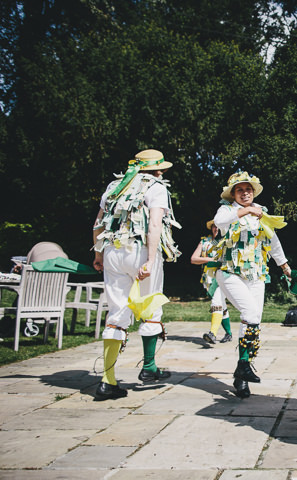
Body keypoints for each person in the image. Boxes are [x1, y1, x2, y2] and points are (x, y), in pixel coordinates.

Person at [92, 149, 181, 401]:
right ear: (156, 169)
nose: (163, 171)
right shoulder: (156, 186)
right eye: (161, 168)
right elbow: (154, 225)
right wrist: (151, 259)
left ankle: (107, 381)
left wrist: (98, 254)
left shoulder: (114, 186)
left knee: (117, 311)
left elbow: (98, 223)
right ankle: (149, 367)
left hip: (111, 251)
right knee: (150, 307)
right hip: (140, 250)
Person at [212, 171, 293, 399]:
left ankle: (241, 373)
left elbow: (273, 241)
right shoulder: (227, 210)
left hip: (257, 274)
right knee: (249, 312)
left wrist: (285, 267)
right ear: (233, 194)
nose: (245, 193)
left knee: (253, 319)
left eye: (248, 189)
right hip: (230, 273)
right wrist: (247, 210)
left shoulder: (262, 214)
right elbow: (219, 222)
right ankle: (243, 366)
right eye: (240, 190)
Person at [190, 220, 232, 345]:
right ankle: (228, 333)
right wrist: (211, 259)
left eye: (220, 226)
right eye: (215, 226)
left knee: (216, 302)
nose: (217, 229)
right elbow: (193, 259)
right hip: (209, 279)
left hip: (224, 277)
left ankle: (212, 333)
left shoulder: (228, 241)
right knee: (221, 305)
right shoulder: (205, 242)